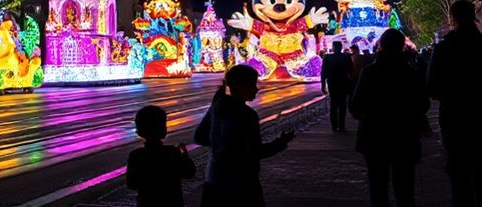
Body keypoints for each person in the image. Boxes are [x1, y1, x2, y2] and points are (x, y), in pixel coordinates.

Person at [427, 0, 482, 207]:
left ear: (452, 18)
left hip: (454, 120)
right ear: (474, 15)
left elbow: (432, 86)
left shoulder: (444, 49)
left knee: (459, 179)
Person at [194, 64, 295, 206]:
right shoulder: (247, 115)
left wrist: (220, 143)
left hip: (214, 178)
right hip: (242, 181)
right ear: (240, 87)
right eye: (253, 85)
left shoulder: (217, 107)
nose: (256, 89)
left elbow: (199, 136)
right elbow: (255, 151)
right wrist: (280, 143)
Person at [350, 28, 429, 206]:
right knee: (405, 191)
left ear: (380, 45)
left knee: (378, 189)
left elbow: (355, 106)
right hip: (405, 137)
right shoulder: (411, 73)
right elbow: (424, 104)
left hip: (374, 136)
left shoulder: (369, 72)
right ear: (402, 47)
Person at [126, 105, 196, 206]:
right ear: (163, 129)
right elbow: (189, 172)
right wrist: (184, 155)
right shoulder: (173, 153)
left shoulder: (135, 156)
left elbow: (131, 184)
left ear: (139, 131)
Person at [320, 40, 353, 132]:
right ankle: (341, 125)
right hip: (343, 83)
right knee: (342, 105)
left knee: (333, 105)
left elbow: (323, 72)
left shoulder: (327, 58)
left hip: (332, 83)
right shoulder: (346, 57)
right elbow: (350, 70)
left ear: (333, 48)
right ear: (341, 47)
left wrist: (323, 85)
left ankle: (334, 126)